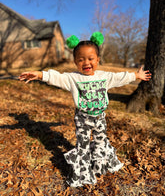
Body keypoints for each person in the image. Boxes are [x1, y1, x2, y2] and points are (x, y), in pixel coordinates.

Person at [19, 32, 151, 187]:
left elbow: (119, 77)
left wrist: (135, 75)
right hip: (83, 119)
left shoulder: (104, 76)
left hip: (100, 117)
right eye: (81, 59)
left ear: (98, 59)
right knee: (83, 144)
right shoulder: (73, 78)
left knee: (101, 141)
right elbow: (57, 77)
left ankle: (100, 165)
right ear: (75, 62)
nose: (86, 62)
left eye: (90, 58)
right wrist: (40, 74)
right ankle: (83, 173)